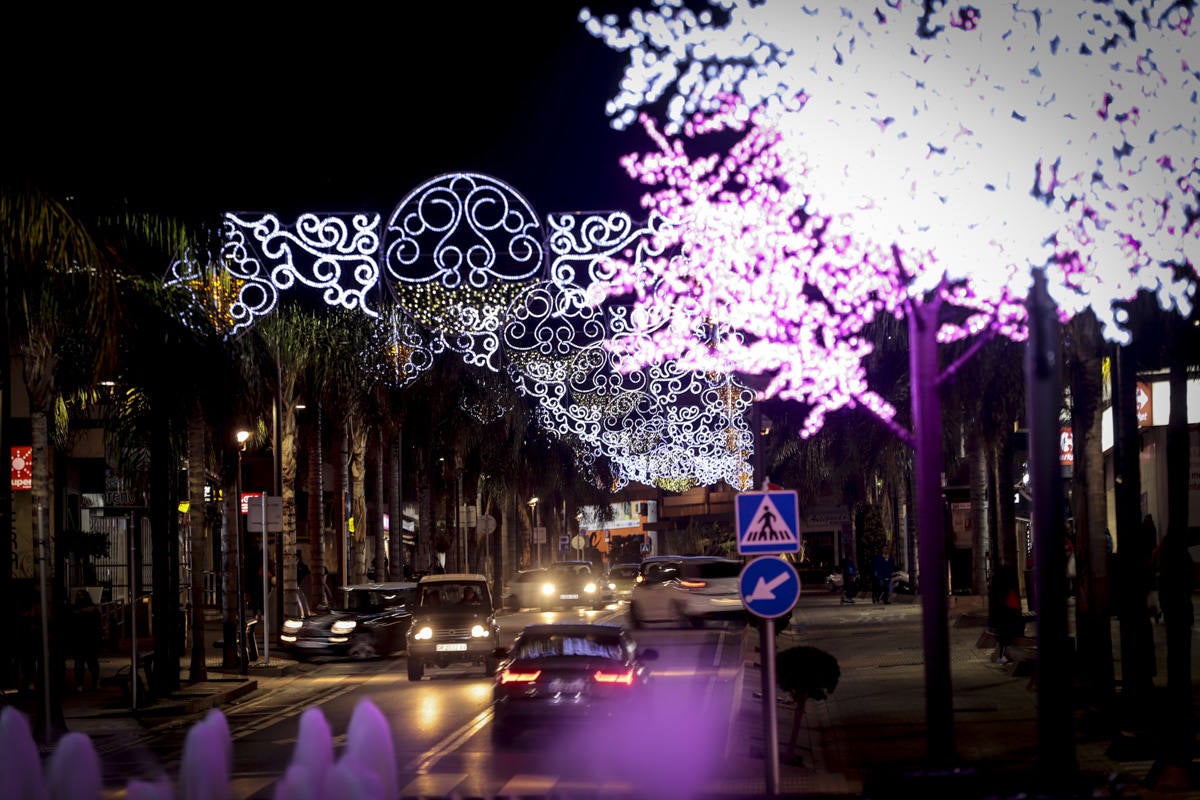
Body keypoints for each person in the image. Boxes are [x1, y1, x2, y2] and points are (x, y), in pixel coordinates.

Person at [70, 589, 102, 692]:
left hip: (88, 640)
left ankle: (94, 681)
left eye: (81, 595)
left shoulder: (90, 610)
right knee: (80, 664)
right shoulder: (78, 610)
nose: (79, 598)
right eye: (78, 596)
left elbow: (97, 626)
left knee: (91, 663)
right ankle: (82, 683)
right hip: (81, 641)